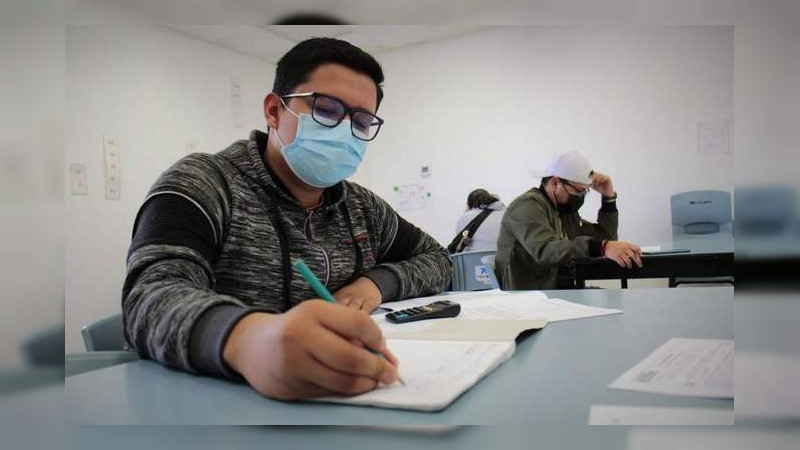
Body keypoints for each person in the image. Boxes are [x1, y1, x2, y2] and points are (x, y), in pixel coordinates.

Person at [122, 38, 451, 400]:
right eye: (326, 110)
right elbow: (149, 297)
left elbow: (437, 258)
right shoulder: (203, 183)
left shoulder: (363, 208)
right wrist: (245, 339)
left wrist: (375, 284)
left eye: (361, 121)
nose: (344, 131)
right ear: (274, 111)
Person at [495, 151, 642, 290]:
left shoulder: (562, 211)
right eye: (578, 191)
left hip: (557, 289)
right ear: (555, 183)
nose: (580, 197)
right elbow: (546, 250)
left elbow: (607, 239)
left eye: (585, 191)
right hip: (531, 295)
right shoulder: (527, 206)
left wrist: (608, 198)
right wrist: (601, 247)